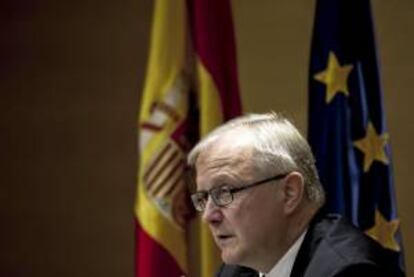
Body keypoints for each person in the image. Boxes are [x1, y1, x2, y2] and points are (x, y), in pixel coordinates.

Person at [187, 112, 403, 277]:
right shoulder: (238, 269)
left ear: (289, 192)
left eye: (224, 192)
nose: (209, 216)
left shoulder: (351, 271)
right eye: (203, 198)